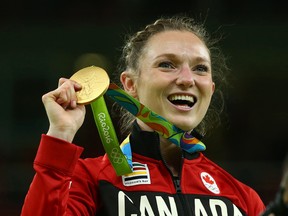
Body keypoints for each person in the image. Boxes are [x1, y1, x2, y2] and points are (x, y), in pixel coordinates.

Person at [21, 15, 266, 215]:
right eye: (167, 64)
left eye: (200, 68)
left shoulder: (242, 199)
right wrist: (60, 136)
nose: (187, 79)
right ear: (130, 85)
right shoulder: (92, 181)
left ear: (210, 90)